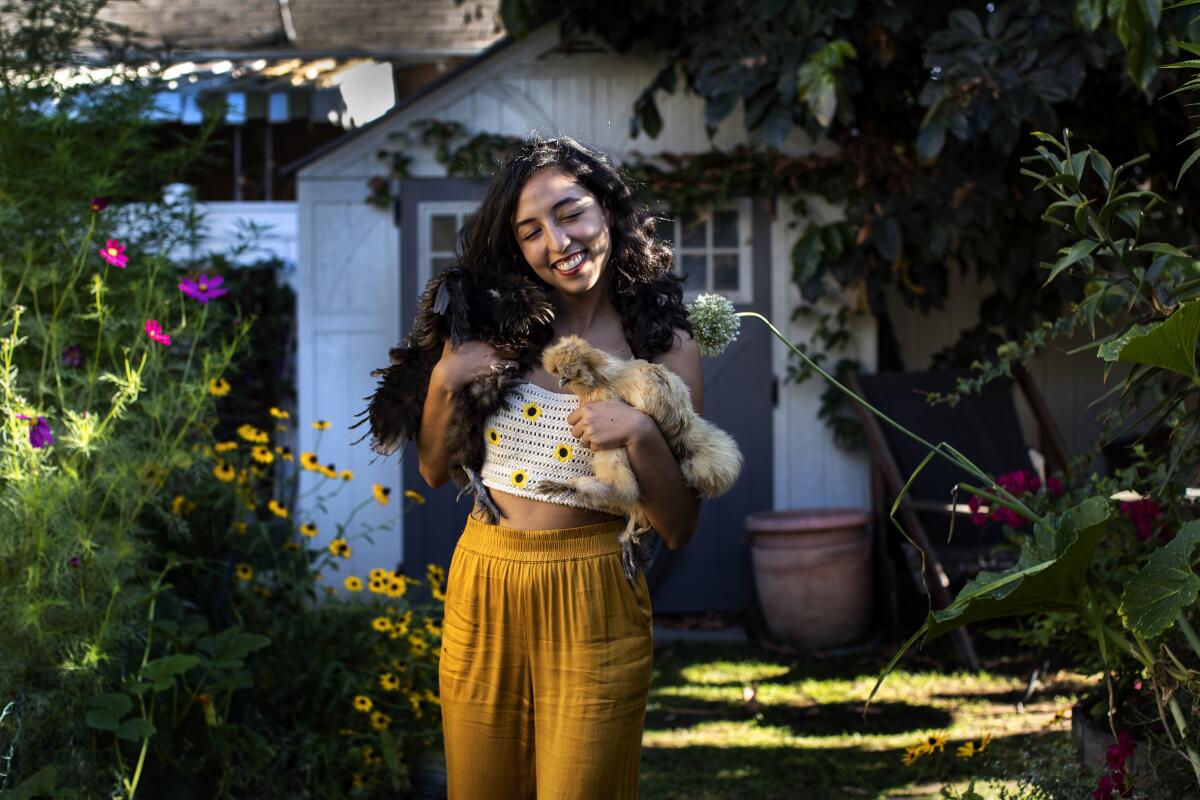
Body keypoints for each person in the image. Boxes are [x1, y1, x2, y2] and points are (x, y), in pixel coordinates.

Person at [415, 136, 704, 799]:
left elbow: (680, 525)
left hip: (597, 593)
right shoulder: (496, 332)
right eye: (531, 231)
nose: (558, 240)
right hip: (484, 583)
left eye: (570, 212)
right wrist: (442, 382)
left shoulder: (664, 348)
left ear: (606, 209)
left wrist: (640, 434)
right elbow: (434, 469)